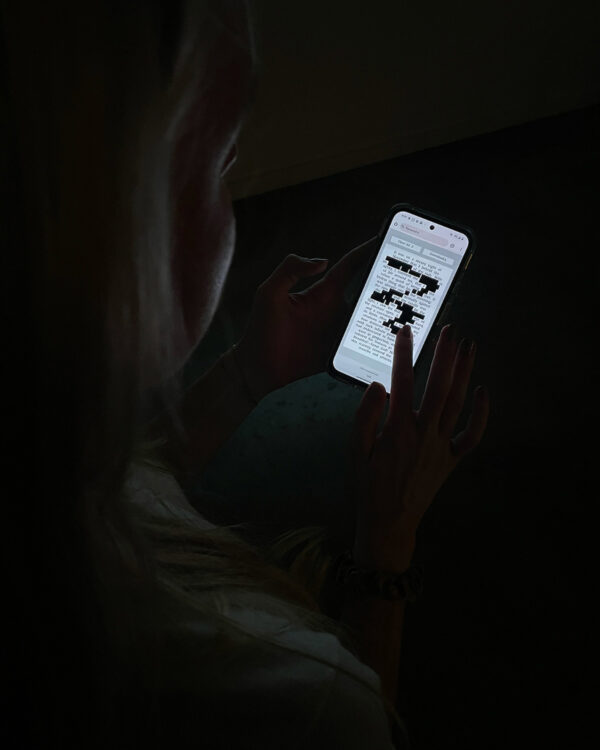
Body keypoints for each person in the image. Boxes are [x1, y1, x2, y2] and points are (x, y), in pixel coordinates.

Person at [2, 1, 489, 748]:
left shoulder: (57, 463)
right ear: (122, 230)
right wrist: (387, 549)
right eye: (222, 164)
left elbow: (133, 486)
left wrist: (247, 375)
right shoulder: (299, 699)